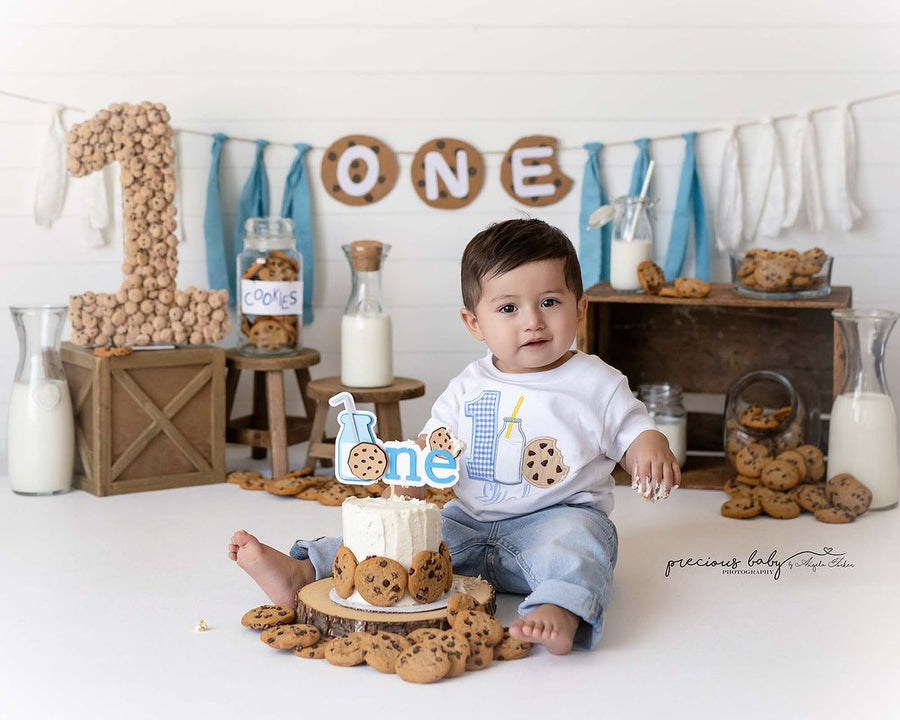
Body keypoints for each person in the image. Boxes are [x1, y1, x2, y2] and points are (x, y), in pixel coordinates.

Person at [229, 218, 680, 655]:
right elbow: (431, 447)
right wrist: (408, 483)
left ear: (579, 309)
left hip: (556, 517)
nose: (532, 322)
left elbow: (631, 426)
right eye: (508, 308)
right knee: (397, 542)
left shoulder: (594, 381)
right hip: (465, 523)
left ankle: (559, 607)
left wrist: (648, 445)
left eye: (549, 302)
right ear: (474, 324)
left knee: (579, 546)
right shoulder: (467, 386)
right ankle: (305, 570)